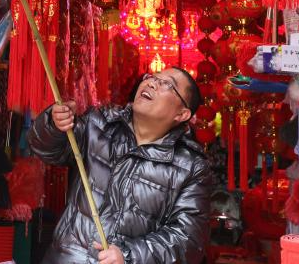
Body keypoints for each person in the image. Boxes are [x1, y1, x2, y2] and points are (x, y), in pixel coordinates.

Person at [29, 67, 213, 264]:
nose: (151, 83)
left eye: (167, 84)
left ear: (182, 114)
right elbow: (45, 149)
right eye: (151, 77)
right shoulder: (99, 123)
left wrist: (129, 256)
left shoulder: (191, 167)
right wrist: (54, 125)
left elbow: (188, 240)